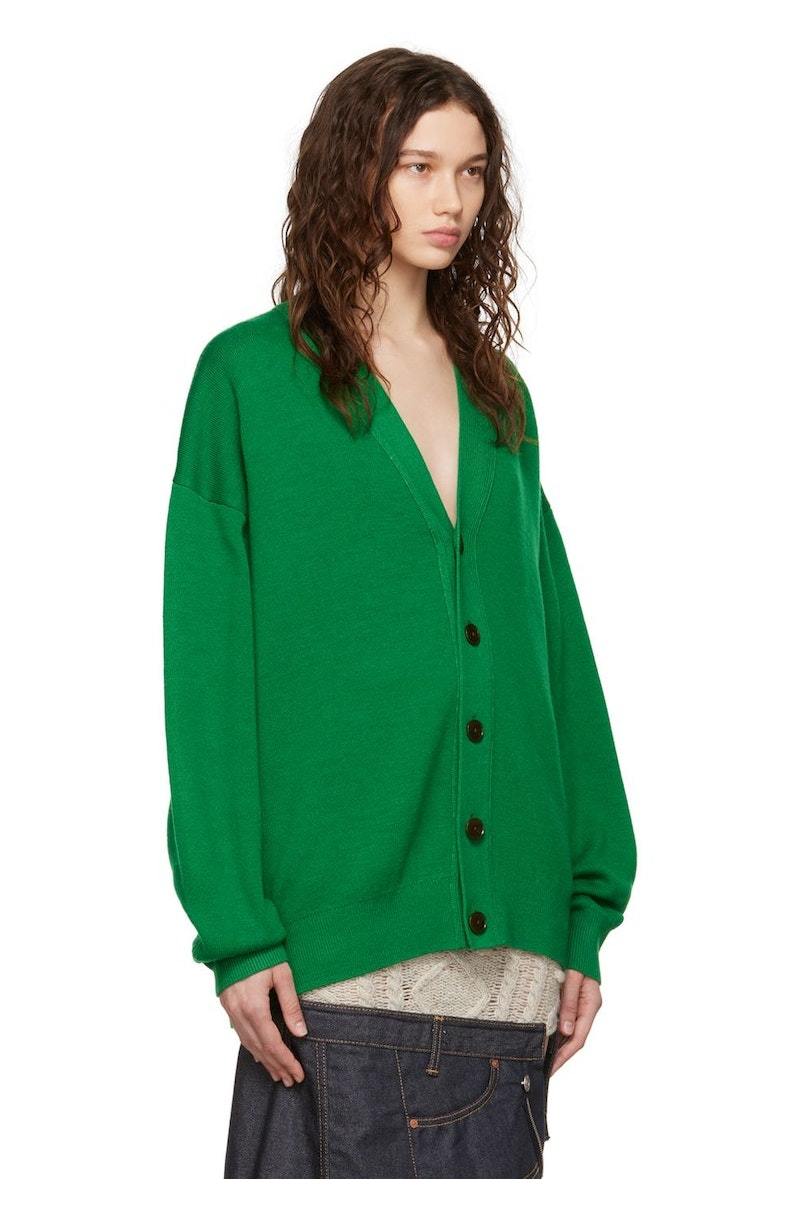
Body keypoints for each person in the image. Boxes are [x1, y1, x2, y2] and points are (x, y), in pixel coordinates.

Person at [162, 47, 637, 1180]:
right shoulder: (247, 382)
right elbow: (207, 673)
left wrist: (584, 907)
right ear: (353, 172)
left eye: (471, 172)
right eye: (417, 166)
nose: (449, 199)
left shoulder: (498, 397)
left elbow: (554, 658)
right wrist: (237, 929)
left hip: (511, 980)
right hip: (334, 972)